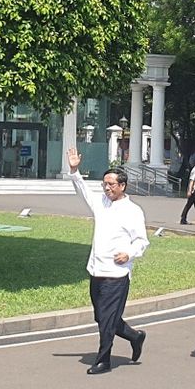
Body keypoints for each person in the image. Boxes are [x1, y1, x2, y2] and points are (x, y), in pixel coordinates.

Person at [67, 147, 149, 375]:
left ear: (122, 186)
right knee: (101, 316)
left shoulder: (133, 211)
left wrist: (129, 254)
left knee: (106, 319)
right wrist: (75, 169)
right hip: (96, 269)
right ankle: (135, 335)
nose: (107, 188)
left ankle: (104, 360)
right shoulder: (100, 203)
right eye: (105, 184)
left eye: (112, 184)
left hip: (117, 273)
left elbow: (142, 241)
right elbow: (82, 190)